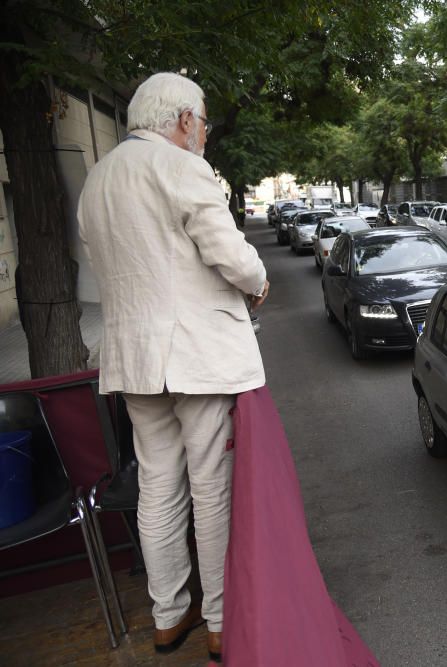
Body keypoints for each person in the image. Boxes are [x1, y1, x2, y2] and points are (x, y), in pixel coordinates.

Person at [77, 72, 269, 662]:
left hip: (134, 358)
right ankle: (216, 619)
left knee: (158, 485)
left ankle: (167, 616)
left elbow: (100, 274)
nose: (205, 132)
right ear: (184, 120)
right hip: (196, 355)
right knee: (210, 485)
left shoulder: (97, 181)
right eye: (204, 121)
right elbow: (228, 251)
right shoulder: (181, 167)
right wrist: (259, 282)